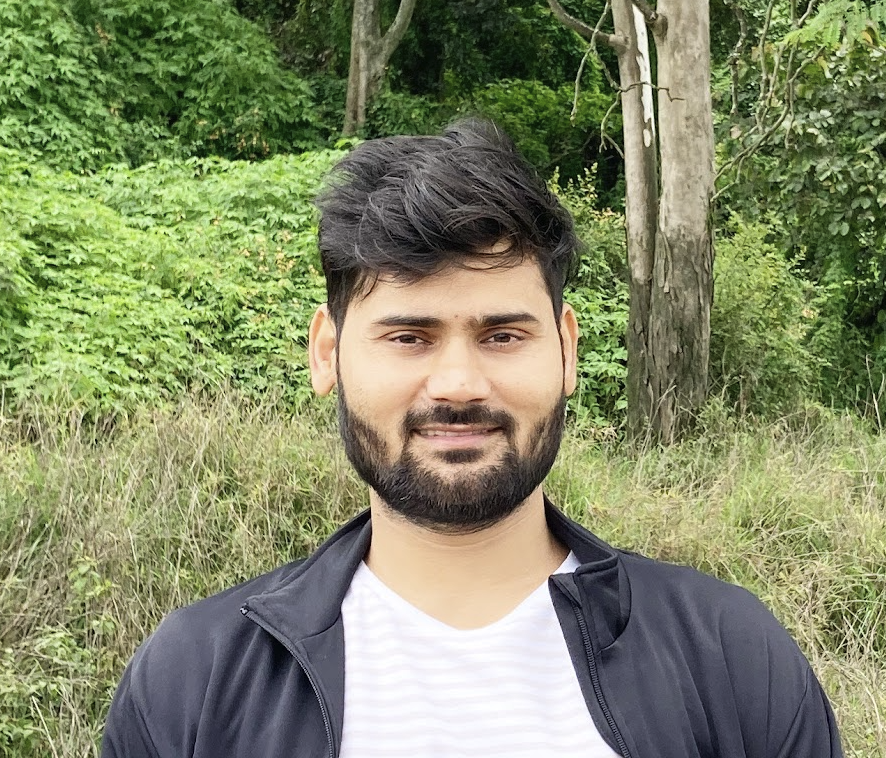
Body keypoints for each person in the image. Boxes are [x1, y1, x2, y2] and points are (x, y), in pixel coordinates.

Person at [101, 119, 843, 758]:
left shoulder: (729, 654)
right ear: (327, 354)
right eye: (409, 337)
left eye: (502, 335)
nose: (458, 384)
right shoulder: (194, 677)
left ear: (566, 350)